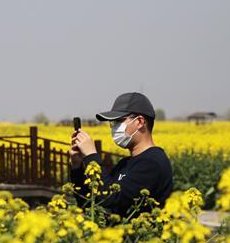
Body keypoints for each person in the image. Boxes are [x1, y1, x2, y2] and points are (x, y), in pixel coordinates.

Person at [69, 92, 174, 221]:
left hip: (141, 240)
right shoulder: (124, 163)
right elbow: (93, 203)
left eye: (118, 121)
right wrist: (77, 167)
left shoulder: (152, 162)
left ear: (140, 122)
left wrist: (91, 156)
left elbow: (112, 199)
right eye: (113, 123)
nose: (114, 128)